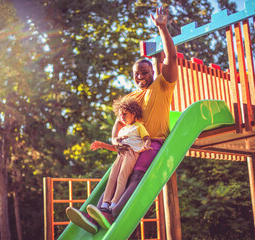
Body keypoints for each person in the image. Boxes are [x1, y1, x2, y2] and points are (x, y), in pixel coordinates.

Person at [65, 6, 178, 234]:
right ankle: (96, 215)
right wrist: (115, 140)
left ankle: (113, 212)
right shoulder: (129, 97)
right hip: (129, 146)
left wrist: (163, 28)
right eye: (136, 73)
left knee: (136, 175)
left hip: (151, 142)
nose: (140, 76)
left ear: (152, 73)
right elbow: (118, 123)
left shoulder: (163, 85)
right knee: (118, 176)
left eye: (144, 72)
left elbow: (172, 56)